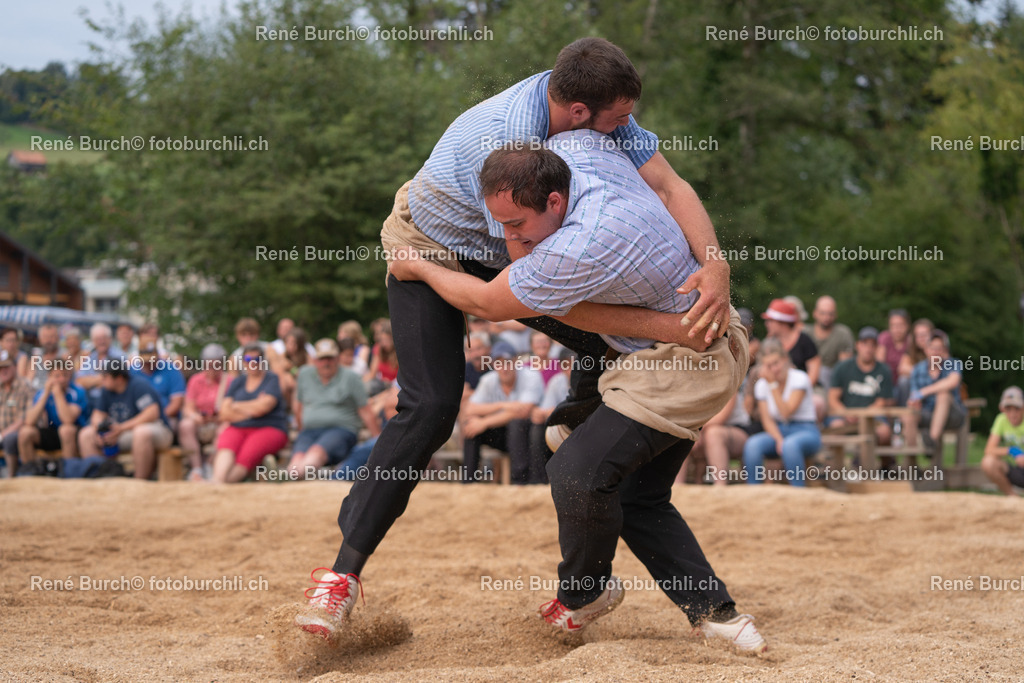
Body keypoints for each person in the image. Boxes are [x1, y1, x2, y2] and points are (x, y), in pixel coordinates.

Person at [296, 37, 736, 642]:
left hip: (505, 254)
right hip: (429, 248)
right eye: (620, 119)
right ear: (578, 114)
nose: (628, 127)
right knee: (430, 408)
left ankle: (576, 431)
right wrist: (668, 328)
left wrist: (714, 265)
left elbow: (668, 185)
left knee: (606, 334)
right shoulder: (511, 145)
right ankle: (340, 577)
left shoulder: (577, 105)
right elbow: (504, 290)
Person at [387, 138, 762, 649]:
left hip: (685, 364)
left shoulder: (578, 245)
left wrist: (421, 268)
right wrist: (715, 264)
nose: (507, 235)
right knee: (638, 496)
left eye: (517, 225)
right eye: (500, 222)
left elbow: (489, 302)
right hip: (667, 350)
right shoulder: (578, 147)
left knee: (577, 471)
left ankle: (586, 594)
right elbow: (670, 183)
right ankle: (720, 617)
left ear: (555, 202)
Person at [287, 339, 380, 479]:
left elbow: (366, 411)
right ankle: (291, 475)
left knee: (316, 453)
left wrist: (378, 443)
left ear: (337, 358)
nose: (326, 362)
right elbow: (298, 407)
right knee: (297, 458)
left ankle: (289, 477)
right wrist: (302, 429)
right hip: (309, 431)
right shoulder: (304, 375)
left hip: (341, 431)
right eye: (322, 359)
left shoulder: (351, 377)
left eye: (330, 358)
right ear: (314, 360)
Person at [460, 341, 544, 483]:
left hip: (528, 435)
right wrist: (503, 405)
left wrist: (485, 422)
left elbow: (523, 411)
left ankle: (519, 481)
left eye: (507, 362)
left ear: (516, 362)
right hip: (502, 434)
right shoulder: (488, 379)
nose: (504, 368)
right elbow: (470, 408)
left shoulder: (531, 376)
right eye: (499, 364)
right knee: (471, 426)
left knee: (516, 423)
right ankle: (468, 481)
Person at [742, 339, 821, 487]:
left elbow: (786, 412)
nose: (774, 369)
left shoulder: (800, 378)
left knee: (790, 445)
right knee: (752, 444)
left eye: (776, 363)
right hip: (778, 430)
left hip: (806, 429)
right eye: (768, 365)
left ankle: (798, 490)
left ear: (785, 359)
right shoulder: (761, 385)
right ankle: (753, 490)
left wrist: (772, 384)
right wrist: (778, 439)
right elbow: (767, 420)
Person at [78, 361, 174, 479]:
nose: (101, 379)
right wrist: (101, 430)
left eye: (105, 376)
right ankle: (100, 478)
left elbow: (152, 413)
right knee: (86, 434)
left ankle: (139, 483)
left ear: (118, 378)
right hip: (122, 432)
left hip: (158, 430)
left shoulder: (138, 385)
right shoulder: (106, 389)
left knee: (141, 433)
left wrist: (121, 428)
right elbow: (97, 414)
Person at [211, 344, 288, 483]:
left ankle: (221, 486)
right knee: (226, 447)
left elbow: (264, 407)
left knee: (245, 457)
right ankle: (218, 483)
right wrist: (253, 409)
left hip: (269, 428)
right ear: (243, 361)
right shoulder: (237, 382)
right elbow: (224, 413)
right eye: (248, 358)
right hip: (238, 428)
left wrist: (236, 406)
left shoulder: (272, 379)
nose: (252, 362)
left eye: (257, 359)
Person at [826, 327, 894, 445]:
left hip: (873, 416)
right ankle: (835, 462)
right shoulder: (842, 367)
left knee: (884, 432)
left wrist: (863, 416)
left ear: (877, 348)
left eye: (872, 345)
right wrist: (846, 413)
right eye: (865, 344)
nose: (868, 349)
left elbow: (881, 402)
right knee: (835, 427)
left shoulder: (884, 370)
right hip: (844, 414)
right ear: (857, 345)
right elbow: (832, 398)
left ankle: (885, 463)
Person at [16, 361, 90, 468]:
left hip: (75, 433)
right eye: (57, 376)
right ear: (49, 377)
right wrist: (46, 394)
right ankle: (30, 471)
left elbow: (67, 420)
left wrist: (58, 394)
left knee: (66, 430)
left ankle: (69, 471)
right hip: (53, 432)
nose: (62, 379)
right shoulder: (42, 393)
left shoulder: (78, 392)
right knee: (25, 432)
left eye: (65, 375)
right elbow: (29, 421)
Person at [905, 331, 964, 461]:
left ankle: (931, 441)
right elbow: (914, 396)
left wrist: (924, 392)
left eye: (939, 348)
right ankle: (912, 464)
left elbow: (953, 381)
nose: (936, 352)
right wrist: (914, 402)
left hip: (952, 415)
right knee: (909, 415)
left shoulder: (953, 363)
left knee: (942, 394)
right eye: (933, 348)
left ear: (945, 350)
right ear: (926, 349)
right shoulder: (917, 369)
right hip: (927, 413)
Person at [179, 343, 229, 481]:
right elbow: (188, 407)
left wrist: (219, 417)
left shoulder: (229, 381)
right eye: (209, 364)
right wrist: (195, 416)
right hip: (200, 423)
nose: (212, 368)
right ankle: (197, 468)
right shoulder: (196, 380)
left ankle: (210, 465)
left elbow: (231, 408)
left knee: (226, 428)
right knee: (185, 425)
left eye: (216, 364)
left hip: (220, 422)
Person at [761, 299, 820, 386]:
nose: (766, 324)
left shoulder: (804, 340)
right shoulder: (769, 343)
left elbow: (813, 372)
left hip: (804, 388)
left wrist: (800, 391)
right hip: (776, 389)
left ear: (783, 323)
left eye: (770, 320)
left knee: (817, 400)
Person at [980, 386, 1024, 497]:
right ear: (1002, 409)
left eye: (1017, 408)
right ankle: (1013, 497)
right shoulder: (1001, 419)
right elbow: (989, 449)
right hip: (1015, 470)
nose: (1012, 413)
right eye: (1008, 409)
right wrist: (1012, 451)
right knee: (988, 462)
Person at [135, 344, 186, 427]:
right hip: (137, 419)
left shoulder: (171, 369)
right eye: (146, 361)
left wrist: (156, 417)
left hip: (165, 418)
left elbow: (176, 403)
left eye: (152, 361)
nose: (148, 364)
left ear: (158, 357)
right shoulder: (132, 371)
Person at [0, 350, 33, 476]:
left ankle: (11, 478)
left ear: (14, 366)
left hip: (17, 431)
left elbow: (26, 417)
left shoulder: (25, 386)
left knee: (9, 439)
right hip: (3, 431)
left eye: (6, 367)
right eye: (0, 367)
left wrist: (3, 434)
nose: (3, 371)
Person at [811, 296, 853, 389]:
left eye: (830, 314)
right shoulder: (805, 333)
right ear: (815, 313)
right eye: (823, 313)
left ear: (836, 315)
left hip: (832, 380)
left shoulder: (843, 333)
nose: (827, 317)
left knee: (824, 372)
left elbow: (844, 367)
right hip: (808, 376)